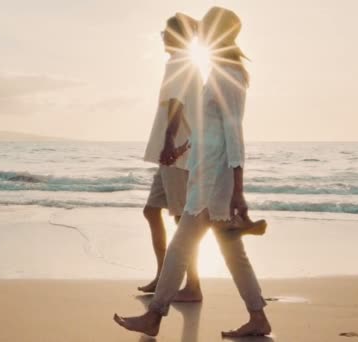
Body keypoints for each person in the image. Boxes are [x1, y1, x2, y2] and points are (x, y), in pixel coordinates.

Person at [114, 7, 272, 338]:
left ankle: (155, 315)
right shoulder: (219, 69)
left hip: (214, 184)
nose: (199, 33)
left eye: (204, 27)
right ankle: (257, 317)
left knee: (181, 246)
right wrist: (184, 149)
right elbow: (208, 128)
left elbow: (233, 131)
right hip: (208, 176)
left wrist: (238, 190)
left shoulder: (227, 72)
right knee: (232, 251)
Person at [139, 13, 203, 302]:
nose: (162, 36)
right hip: (171, 156)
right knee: (152, 211)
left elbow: (176, 106)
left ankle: (192, 285)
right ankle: (165, 276)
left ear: (176, 36)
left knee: (181, 220)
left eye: (165, 31)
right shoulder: (180, 63)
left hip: (176, 155)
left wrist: (168, 141)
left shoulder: (180, 63)